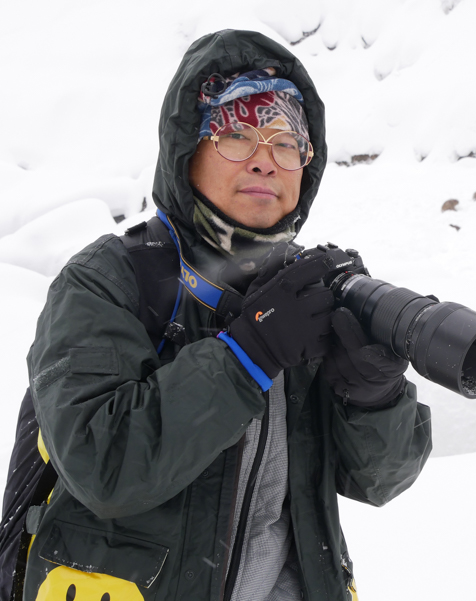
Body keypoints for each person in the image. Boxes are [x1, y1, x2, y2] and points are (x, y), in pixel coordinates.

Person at [22, 29, 432, 601]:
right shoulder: (107, 281)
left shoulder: (307, 293)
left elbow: (379, 479)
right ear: (187, 149)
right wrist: (247, 356)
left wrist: (374, 394)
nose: (266, 161)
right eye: (237, 135)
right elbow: (103, 465)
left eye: (288, 142)